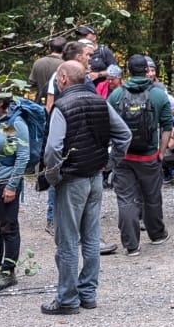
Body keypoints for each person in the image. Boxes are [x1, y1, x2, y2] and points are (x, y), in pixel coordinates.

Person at [42, 60, 131, 314]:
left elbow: (52, 149)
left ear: (63, 79)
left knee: (68, 241)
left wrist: (53, 176)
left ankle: (68, 299)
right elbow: (124, 135)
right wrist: (109, 163)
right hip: (95, 179)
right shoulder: (100, 102)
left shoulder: (61, 106)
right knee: (91, 239)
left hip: (71, 180)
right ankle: (88, 293)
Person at [108, 54, 174, 255]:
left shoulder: (117, 95)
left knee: (126, 198)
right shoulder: (159, 94)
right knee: (152, 196)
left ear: (127, 71)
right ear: (147, 71)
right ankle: (156, 234)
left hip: (124, 157)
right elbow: (166, 126)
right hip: (148, 156)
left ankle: (131, 245)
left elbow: (108, 125)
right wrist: (162, 151)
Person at [0, 92, 29, 290]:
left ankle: (8, 271)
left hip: (4, 181)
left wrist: (12, 185)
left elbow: (22, 155)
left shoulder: (12, 123)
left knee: (8, 227)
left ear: (0, 103)